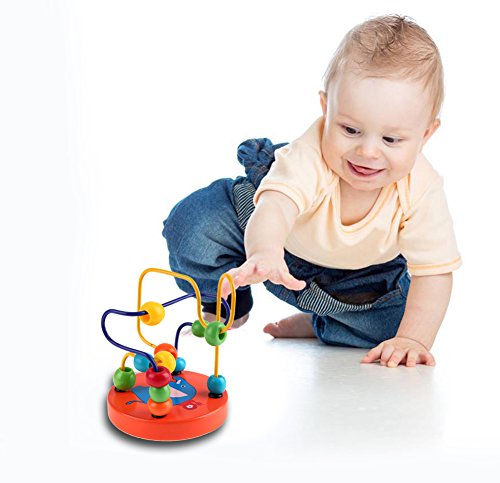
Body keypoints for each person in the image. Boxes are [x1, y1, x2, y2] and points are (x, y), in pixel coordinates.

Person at [162, 14, 461, 368]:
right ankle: (228, 299)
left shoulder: (422, 190)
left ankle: (322, 320)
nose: (367, 151)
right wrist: (263, 251)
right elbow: (276, 206)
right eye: (350, 130)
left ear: (426, 134)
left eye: (391, 139)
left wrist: (412, 339)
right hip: (266, 237)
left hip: (353, 278)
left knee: (392, 328)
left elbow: (433, 273)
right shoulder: (311, 154)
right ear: (326, 109)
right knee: (194, 225)